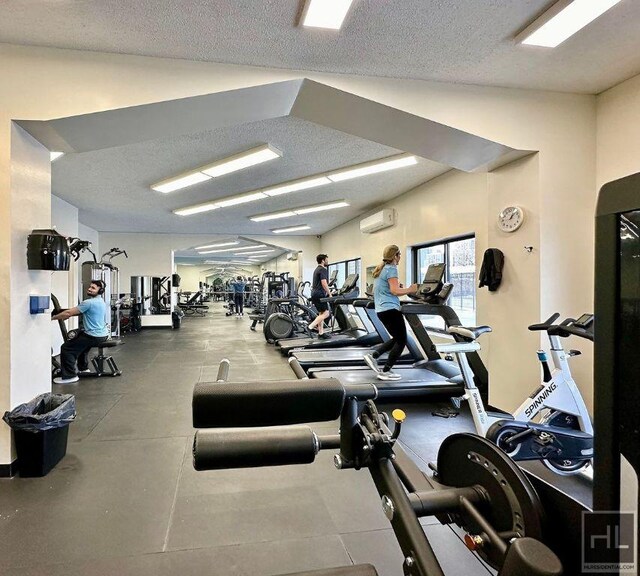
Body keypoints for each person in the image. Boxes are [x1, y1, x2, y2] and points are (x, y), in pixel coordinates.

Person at [364, 245, 418, 381]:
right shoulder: (392, 269)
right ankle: (386, 370)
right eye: (399, 255)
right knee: (402, 340)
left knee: (397, 338)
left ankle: (374, 355)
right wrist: (410, 289)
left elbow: (390, 290)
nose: (400, 258)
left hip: (381, 310)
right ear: (395, 256)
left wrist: (401, 289)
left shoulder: (381, 269)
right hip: (390, 310)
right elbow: (394, 291)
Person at [51, 280, 109, 384]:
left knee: (67, 348)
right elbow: (78, 311)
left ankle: (70, 376)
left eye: (93, 288)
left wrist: (52, 318)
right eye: (90, 287)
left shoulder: (88, 303)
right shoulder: (101, 302)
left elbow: (69, 312)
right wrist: (63, 313)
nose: (90, 289)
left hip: (93, 335)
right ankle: (83, 368)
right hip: (102, 335)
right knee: (82, 343)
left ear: (100, 291)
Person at [306, 254, 332, 339]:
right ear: (323, 260)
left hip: (314, 293)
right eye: (327, 260)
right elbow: (324, 283)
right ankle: (310, 327)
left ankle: (321, 333)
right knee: (326, 313)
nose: (327, 261)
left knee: (321, 313)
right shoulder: (323, 269)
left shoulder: (316, 269)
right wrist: (330, 293)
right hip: (320, 294)